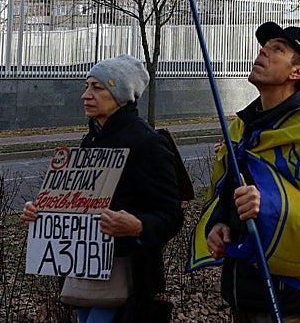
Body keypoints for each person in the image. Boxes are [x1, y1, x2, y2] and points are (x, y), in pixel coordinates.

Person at [193, 23, 300, 323]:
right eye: (266, 46)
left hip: (287, 296)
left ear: (297, 73)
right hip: (240, 290)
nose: (263, 50)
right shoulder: (240, 127)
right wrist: (219, 223)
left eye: (278, 49)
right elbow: (226, 193)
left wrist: (268, 205)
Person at [22, 55, 184, 323]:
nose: (85, 95)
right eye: (87, 86)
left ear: (120, 94)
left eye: (97, 88)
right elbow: (79, 205)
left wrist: (139, 226)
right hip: (83, 274)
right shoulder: (91, 140)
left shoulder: (147, 144)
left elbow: (172, 216)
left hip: (126, 279)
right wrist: (43, 213)